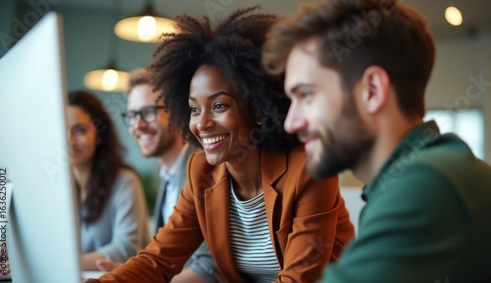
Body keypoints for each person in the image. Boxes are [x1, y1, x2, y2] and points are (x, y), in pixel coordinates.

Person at [86, 6, 354, 283]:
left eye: (219, 105)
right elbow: (158, 259)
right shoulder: (201, 171)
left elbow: (299, 279)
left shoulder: (309, 168)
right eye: (193, 109)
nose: (202, 123)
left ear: (259, 108)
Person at [262, 0, 491, 282]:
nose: (291, 123)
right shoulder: (401, 182)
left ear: (372, 90)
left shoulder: (429, 181)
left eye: (306, 95)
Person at [95, 69, 225, 283]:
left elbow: (210, 266)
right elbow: (165, 260)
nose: (138, 125)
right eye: (132, 115)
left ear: (176, 112)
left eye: (147, 112)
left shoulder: (204, 170)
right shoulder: (166, 178)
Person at [67, 90, 150, 270]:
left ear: (99, 135)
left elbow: (126, 249)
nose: (70, 141)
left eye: (80, 130)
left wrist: (64, 264)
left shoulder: (125, 181)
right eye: (62, 130)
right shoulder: (60, 189)